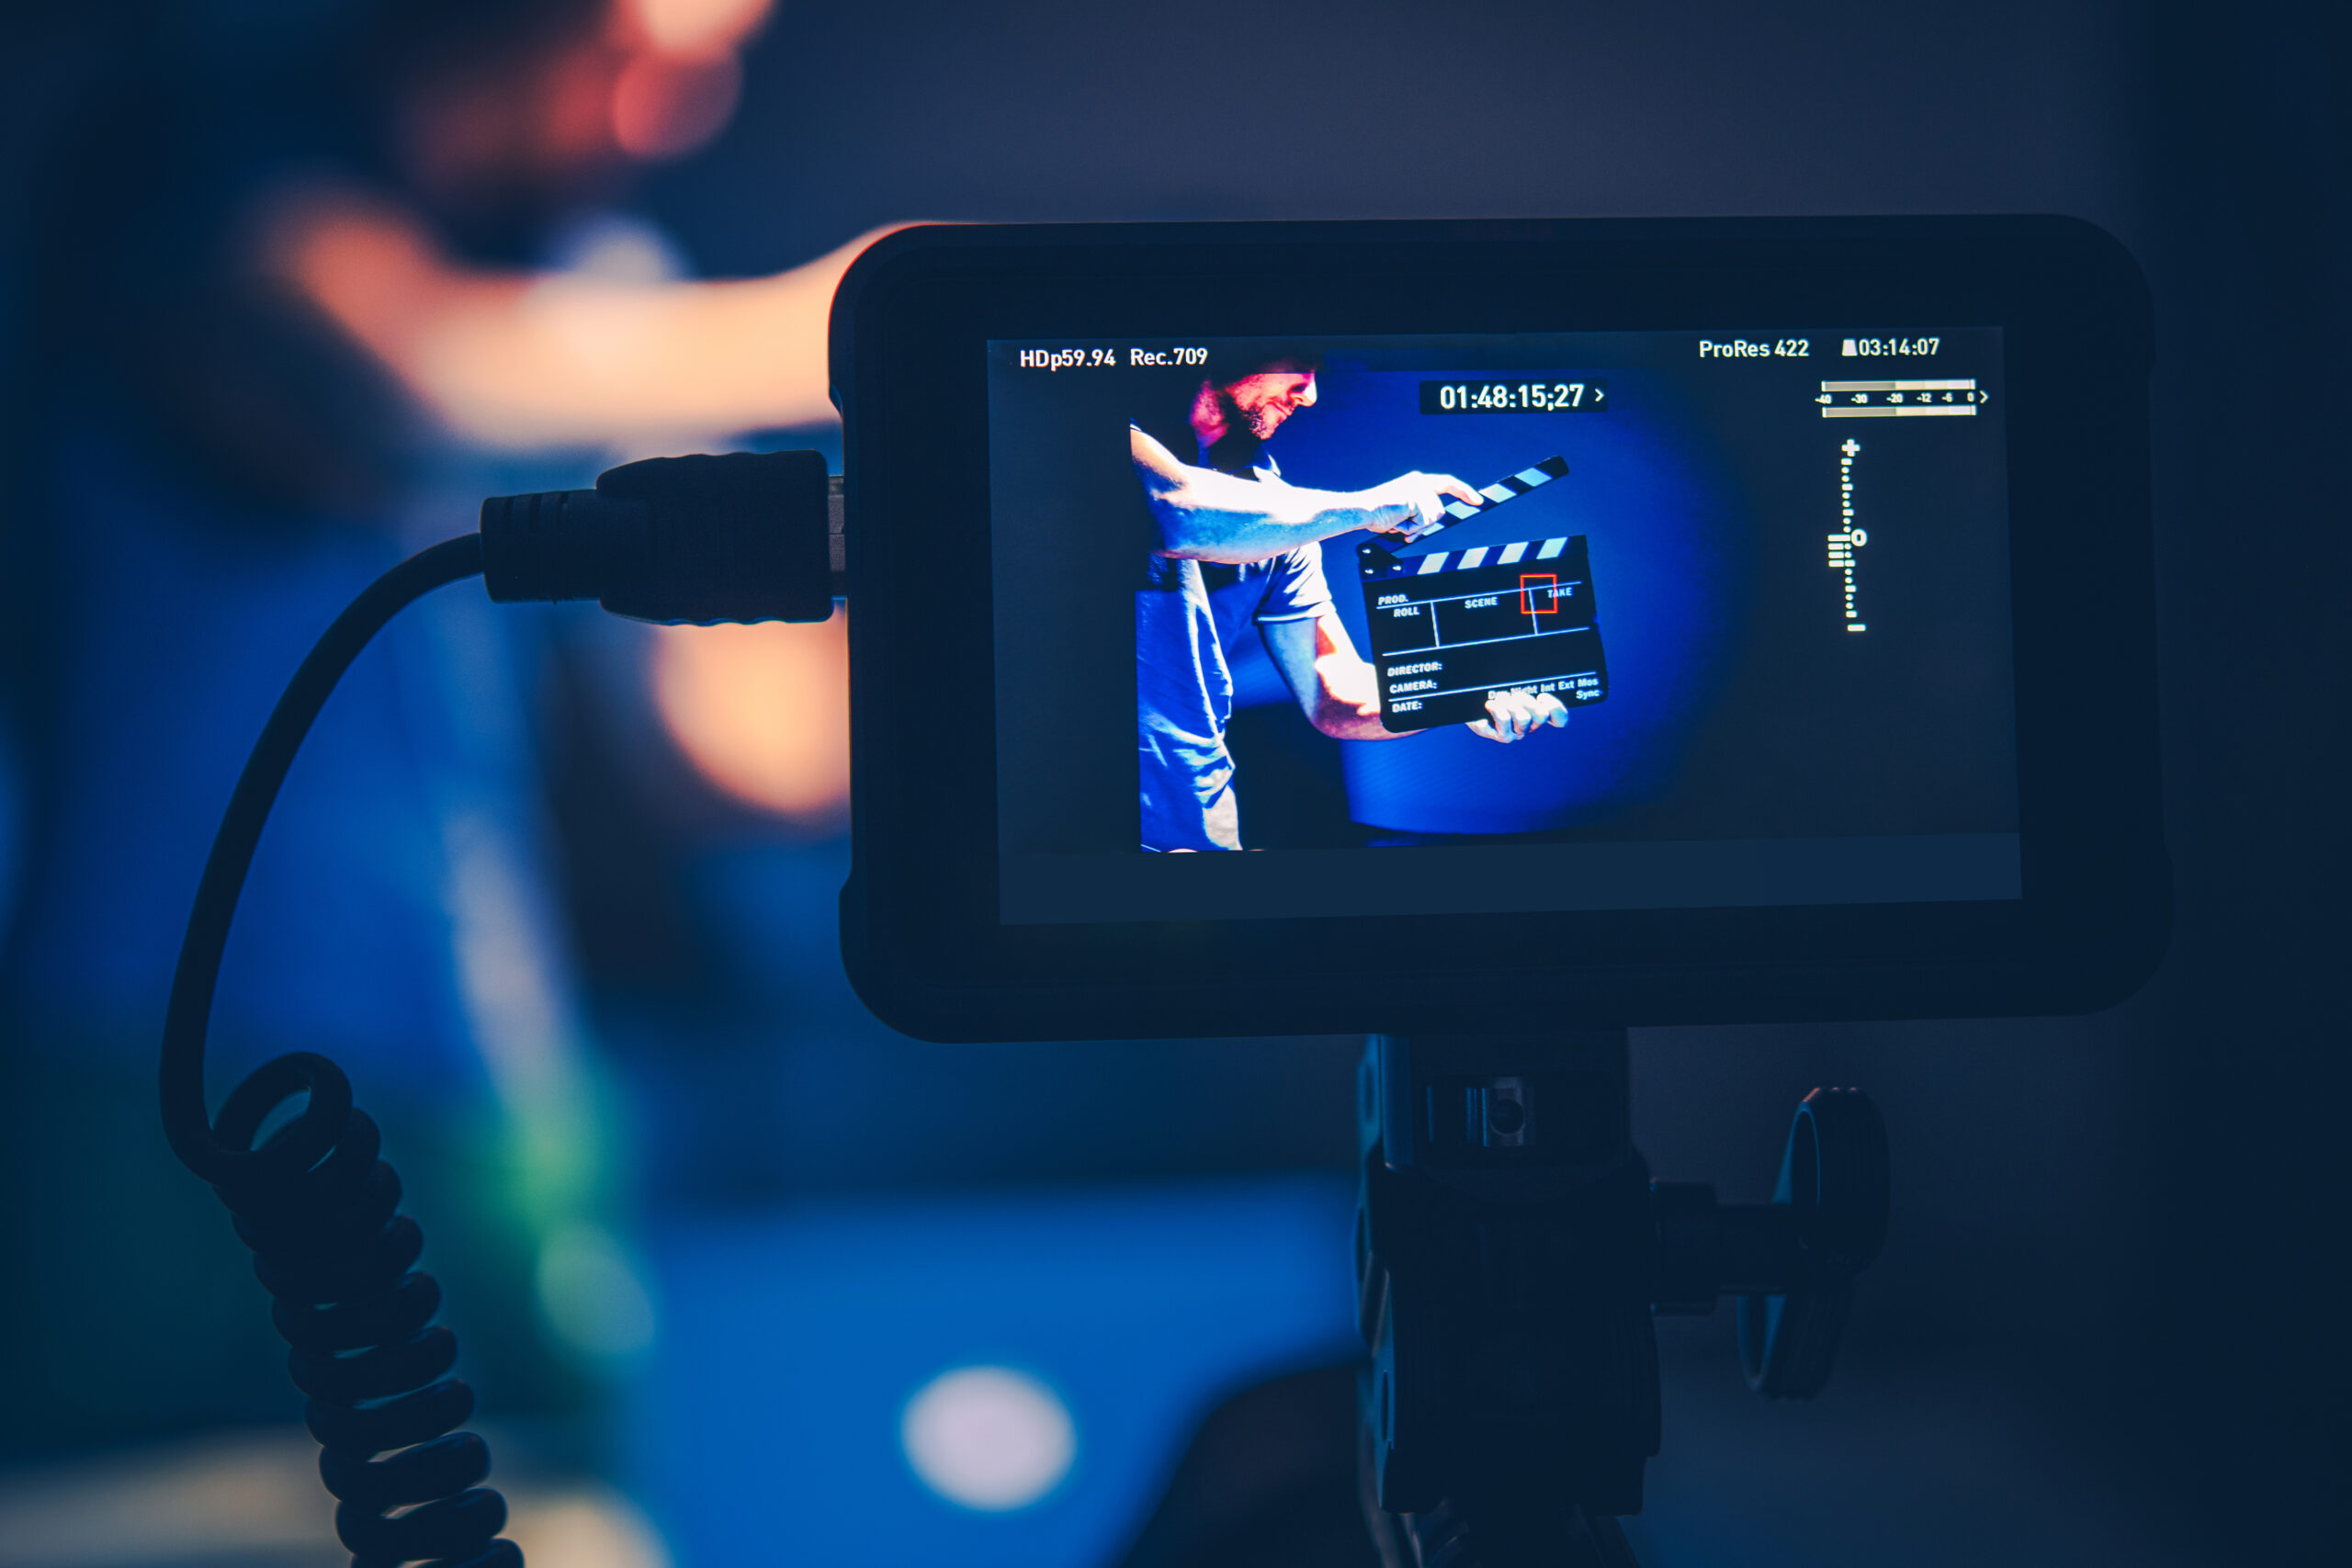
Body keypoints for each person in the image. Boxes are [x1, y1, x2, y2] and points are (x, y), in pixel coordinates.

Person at [1131, 355, 1567, 852]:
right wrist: (1369, 506)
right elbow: (1175, 513)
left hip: (1199, 820)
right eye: (1295, 365)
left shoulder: (1281, 511)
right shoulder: (1096, 423)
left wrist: (1458, 693)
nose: (1309, 394)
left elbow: (1332, 695)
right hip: (1076, 814)